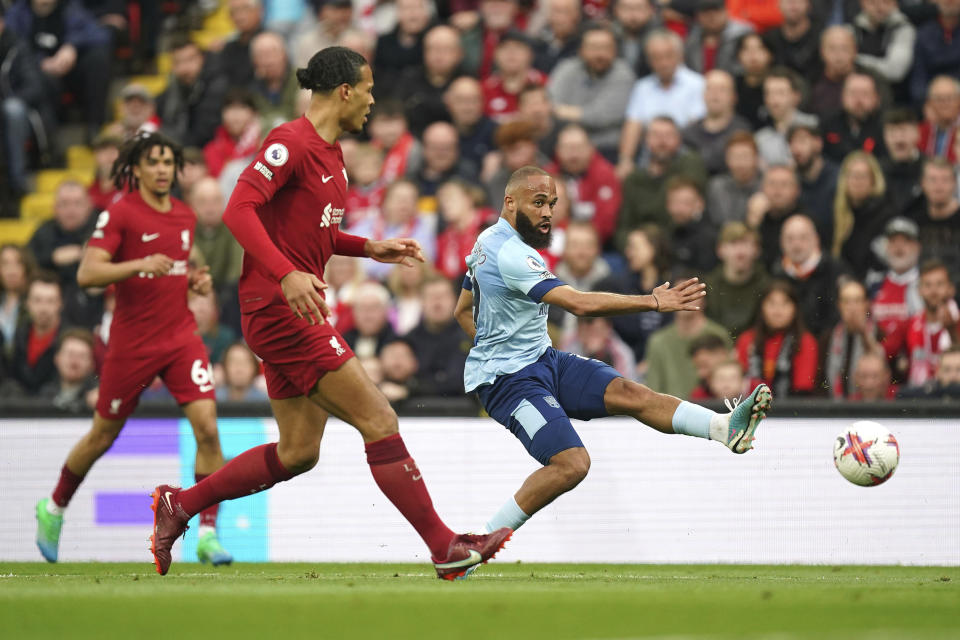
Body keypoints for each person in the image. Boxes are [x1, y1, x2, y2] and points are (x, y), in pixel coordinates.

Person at [148, 47, 512, 580]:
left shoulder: (332, 153)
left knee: (298, 452)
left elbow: (312, 231)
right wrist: (286, 273)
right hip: (283, 310)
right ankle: (444, 548)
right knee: (379, 419)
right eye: (367, 90)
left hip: (289, 307)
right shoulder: (289, 142)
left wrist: (369, 248)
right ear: (344, 90)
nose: (372, 100)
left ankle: (179, 507)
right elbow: (237, 209)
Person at [454, 166, 771, 558]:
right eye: (538, 203)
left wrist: (490, 341)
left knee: (628, 391)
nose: (547, 213)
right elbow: (579, 304)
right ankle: (478, 543)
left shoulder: (488, 241)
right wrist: (652, 301)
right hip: (509, 382)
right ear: (510, 201)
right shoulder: (511, 254)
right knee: (572, 464)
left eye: (551, 204)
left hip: (543, 361)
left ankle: (724, 427)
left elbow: (462, 310)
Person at [34, 132, 233, 567]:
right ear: (137, 169)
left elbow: (173, 272)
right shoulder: (121, 212)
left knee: (208, 428)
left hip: (180, 337)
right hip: (133, 343)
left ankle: (207, 534)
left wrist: (192, 282)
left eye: (168, 161)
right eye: (154, 162)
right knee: (103, 435)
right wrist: (138, 265)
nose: (162, 169)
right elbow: (88, 273)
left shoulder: (183, 215)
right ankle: (53, 508)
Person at [618, 29, 706, 178]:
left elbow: (696, 124)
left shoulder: (698, 84)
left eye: (668, 56)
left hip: (685, 150)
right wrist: (625, 160)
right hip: (649, 153)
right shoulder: (642, 87)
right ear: (649, 61)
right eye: (656, 58)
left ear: (679, 56)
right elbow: (633, 125)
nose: (663, 63)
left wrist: (666, 139)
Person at [547, 21, 635, 160]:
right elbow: (550, 104)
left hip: (606, 150)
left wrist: (565, 111)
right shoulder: (567, 68)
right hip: (565, 146)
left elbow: (601, 117)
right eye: (593, 48)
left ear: (615, 51)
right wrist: (561, 111)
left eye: (606, 48)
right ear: (581, 50)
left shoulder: (623, 74)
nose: (600, 54)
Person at [735, 279, 819, 397]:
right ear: (761, 308)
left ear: (795, 309)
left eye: (785, 303)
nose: (778, 310)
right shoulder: (746, 340)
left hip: (791, 411)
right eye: (771, 303)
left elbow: (803, 388)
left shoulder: (805, 342)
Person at [544, 123, 621, 248]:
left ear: (591, 149)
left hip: (595, 246)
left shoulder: (605, 175)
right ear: (558, 150)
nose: (574, 155)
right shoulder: (547, 176)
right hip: (553, 241)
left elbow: (606, 222)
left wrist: (578, 243)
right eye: (568, 148)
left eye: (579, 148)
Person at [772, 214, 847, 337]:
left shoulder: (835, 270)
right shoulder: (777, 274)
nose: (796, 245)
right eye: (790, 239)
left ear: (816, 239)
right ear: (781, 242)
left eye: (803, 238)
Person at [156, 34, 229, 148]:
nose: (184, 68)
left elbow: (205, 132)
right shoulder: (174, 88)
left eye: (190, 60)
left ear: (202, 59)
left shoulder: (216, 85)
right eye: (177, 62)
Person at [404, 276, 471, 397]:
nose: (437, 302)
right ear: (421, 302)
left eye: (443, 296)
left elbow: (458, 381)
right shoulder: (409, 341)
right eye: (431, 297)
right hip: (416, 412)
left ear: (456, 300)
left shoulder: (471, 336)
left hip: (463, 411)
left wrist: (412, 388)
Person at [831, 151, 893, 278]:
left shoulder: (886, 215)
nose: (857, 181)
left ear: (873, 180)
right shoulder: (836, 213)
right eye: (852, 175)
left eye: (863, 176)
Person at [703, 222, 769, 338]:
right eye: (733, 243)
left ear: (757, 250)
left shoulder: (767, 287)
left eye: (746, 244)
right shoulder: (707, 287)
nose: (740, 252)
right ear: (720, 250)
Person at [681, 69, 752, 176]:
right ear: (703, 95)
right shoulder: (688, 133)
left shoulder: (742, 131)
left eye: (722, 89)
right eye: (710, 89)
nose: (715, 95)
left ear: (734, 97)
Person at [902, 259, 959, 388]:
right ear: (919, 290)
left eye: (939, 284)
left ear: (951, 289)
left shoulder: (957, 321)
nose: (933, 291)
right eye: (927, 285)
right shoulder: (911, 324)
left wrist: (952, 331)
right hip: (919, 396)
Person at [824, 279, 884, 398]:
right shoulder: (828, 337)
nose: (852, 308)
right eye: (846, 302)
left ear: (867, 304)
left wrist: (864, 334)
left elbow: (884, 371)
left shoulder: (880, 334)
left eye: (857, 301)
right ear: (839, 305)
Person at [9, 272, 62, 394]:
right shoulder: (19, 335)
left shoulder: (68, 340)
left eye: (50, 301)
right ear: (28, 303)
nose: (43, 308)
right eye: (37, 300)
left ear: (60, 303)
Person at [706, 131, 762, 227]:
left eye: (745, 156)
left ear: (756, 158)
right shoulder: (717, 186)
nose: (740, 163)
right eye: (735, 157)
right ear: (726, 159)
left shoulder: (765, 185)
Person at [683, 0, 754, 74]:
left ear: (726, 11)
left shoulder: (742, 33)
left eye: (716, 10)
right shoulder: (692, 36)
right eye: (706, 12)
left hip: (736, 82)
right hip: (699, 82)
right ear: (698, 16)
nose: (711, 16)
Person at [37, 327, 98, 413]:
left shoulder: (99, 398)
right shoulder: (44, 393)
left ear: (91, 363)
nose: (74, 361)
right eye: (70, 354)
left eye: (81, 356)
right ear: (57, 359)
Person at [880, 108, 923, 216]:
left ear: (917, 134)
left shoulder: (930, 169)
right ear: (884, 137)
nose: (898, 140)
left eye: (904, 131)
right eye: (892, 133)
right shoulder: (876, 171)